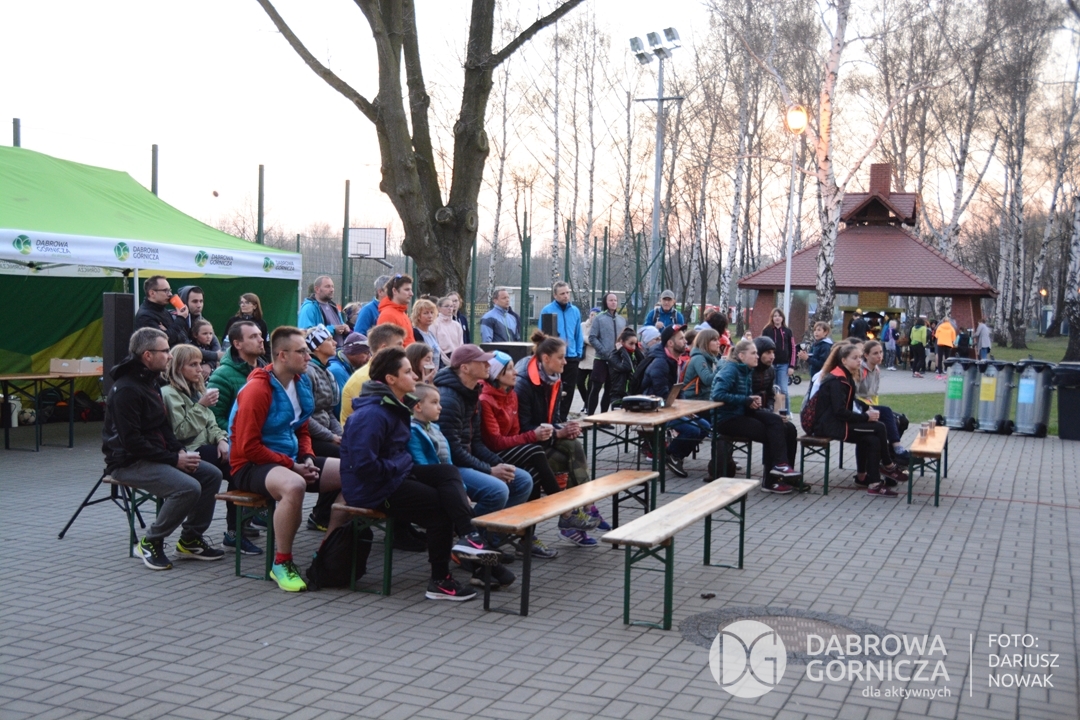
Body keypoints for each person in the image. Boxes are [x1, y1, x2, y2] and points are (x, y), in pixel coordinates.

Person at [338, 348, 497, 601]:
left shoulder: (394, 405)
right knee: (440, 506)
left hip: (393, 476)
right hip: (373, 489)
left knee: (447, 472)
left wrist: (401, 466)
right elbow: (363, 466)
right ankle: (441, 581)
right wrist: (400, 466)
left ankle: (469, 536)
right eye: (408, 372)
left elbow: (395, 454)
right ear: (391, 379)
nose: (415, 376)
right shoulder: (372, 414)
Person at [228, 326, 345, 592]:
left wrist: (307, 457)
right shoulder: (257, 389)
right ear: (282, 355)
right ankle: (282, 563)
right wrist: (292, 466)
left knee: (354, 472)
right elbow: (248, 447)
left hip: (288, 459)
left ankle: (328, 550)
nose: (308, 356)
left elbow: (301, 429)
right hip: (250, 465)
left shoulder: (299, 382)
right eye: (302, 351)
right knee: (294, 485)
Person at [103, 328, 225, 570]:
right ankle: (151, 541)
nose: (169, 355)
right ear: (147, 355)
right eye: (165, 351)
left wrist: (179, 451)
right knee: (188, 488)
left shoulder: (150, 382)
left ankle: (190, 540)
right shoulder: (127, 389)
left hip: (155, 456)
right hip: (127, 462)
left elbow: (162, 426)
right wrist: (173, 459)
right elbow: (131, 442)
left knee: (212, 474)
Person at [479, 351, 600, 551]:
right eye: (509, 369)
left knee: (535, 473)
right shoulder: (486, 399)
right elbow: (495, 442)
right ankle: (566, 511)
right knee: (536, 452)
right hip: (492, 454)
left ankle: (528, 539)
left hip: (511, 447)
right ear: (497, 374)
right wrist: (534, 436)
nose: (515, 373)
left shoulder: (511, 394)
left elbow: (517, 430)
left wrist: (560, 429)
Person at [405, 382, 517, 589]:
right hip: (427, 486)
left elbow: (448, 465)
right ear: (418, 406)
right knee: (457, 511)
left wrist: (461, 491)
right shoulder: (412, 431)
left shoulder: (435, 428)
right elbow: (424, 469)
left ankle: (479, 560)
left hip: (446, 485)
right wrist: (456, 493)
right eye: (434, 402)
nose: (440, 407)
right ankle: (483, 563)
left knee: (461, 507)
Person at [162, 344, 260, 555]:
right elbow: (180, 432)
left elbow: (212, 424)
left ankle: (236, 532)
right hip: (187, 451)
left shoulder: (197, 390)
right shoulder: (169, 394)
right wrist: (202, 406)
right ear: (178, 368)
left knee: (241, 467)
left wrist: (222, 439)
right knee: (225, 470)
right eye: (193, 365)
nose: (200, 369)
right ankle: (194, 536)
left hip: (208, 446)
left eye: (200, 364)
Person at [433, 345, 534, 537]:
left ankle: (491, 537)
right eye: (482, 362)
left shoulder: (472, 392)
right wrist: (489, 470)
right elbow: (452, 451)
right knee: (497, 490)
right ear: (465, 368)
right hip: (448, 467)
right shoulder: (449, 399)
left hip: (465, 460)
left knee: (522, 479)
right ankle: (469, 536)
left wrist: (498, 464)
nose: (488, 365)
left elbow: (476, 442)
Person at [513, 332, 600, 546]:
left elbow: (553, 419)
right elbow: (523, 427)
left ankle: (577, 514)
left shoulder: (554, 379)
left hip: (542, 438)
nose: (565, 362)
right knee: (568, 460)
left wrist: (565, 428)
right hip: (525, 443)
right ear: (545, 358)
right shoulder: (523, 383)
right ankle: (579, 511)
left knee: (573, 445)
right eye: (561, 357)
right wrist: (557, 432)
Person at [811, 342, 906, 497]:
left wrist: (866, 408)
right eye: (855, 358)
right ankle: (889, 465)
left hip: (841, 423)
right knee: (879, 427)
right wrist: (865, 417)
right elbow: (840, 412)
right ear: (843, 360)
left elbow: (852, 402)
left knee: (872, 439)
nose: (859, 361)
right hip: (831, 426)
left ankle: (873, 484)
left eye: (860, 357)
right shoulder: (837, 380)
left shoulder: (847, 376)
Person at [710, 339, 802, 494]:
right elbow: (717, 394)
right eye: (754, 353)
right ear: (741, 355)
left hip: (740, 413)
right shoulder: (730, 370)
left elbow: (764, 396)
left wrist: (754, 402)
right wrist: (746, 400)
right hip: (726, 419)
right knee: (772, 432)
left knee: (780, 424)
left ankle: (783, 469)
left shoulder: (747, 370)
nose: (757, 356)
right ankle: (771, 480)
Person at [638, 324, 710, 478]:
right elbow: (662, 394)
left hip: (668, 407)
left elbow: (679, 389)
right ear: (670, 343)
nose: (685, 341)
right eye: (681, 338)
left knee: (704, 426)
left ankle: (673, 455)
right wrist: (681, 411)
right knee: (693, 430)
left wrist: (685, 409)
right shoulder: (660, 363)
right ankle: (671, 455)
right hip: (654, 411)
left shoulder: (674, 360)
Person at [302, 325, 347, 532]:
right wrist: (330, 437)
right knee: (344, 458)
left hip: (324, 433)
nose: (335, 342)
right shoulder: (308, 373)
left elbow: (328, 411)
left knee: (348, 448)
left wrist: (341, 435)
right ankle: (321, 514)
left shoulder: (326, 371)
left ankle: (328, 511)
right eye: (329, 339)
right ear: (317, 347)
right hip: (309, 436)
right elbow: (305, 417)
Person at [339, 324, 408, 425]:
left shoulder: (390, 372)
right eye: (399, 345)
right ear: (383, 348)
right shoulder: (364, 379)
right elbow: (368, 422)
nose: (403, 349)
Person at [856, 340, 910, 464]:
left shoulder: (876, 370)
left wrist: (875, 408)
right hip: (861, 408)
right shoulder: (860, 370)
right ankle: (895, 450)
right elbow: (854, 395)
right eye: (875, 353)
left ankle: (892, 454)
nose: (879, 356)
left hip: (872, 406)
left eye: (881, 352)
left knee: (902, 420)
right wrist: (870, 408)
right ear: (866, 355)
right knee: (887, 413)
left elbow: (874, 394)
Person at [540, 282, 584, 419]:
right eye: (562, 293)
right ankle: (552, 416)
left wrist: (578, 352)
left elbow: (578, 333)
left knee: (569, 389)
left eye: (567, 293)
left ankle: (563, 418)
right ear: (555, 295)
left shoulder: (575, 311)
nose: (566, 296)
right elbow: (542, 334)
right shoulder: (547, 310)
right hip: (554, 357)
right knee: (553, 388)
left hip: (571, 356)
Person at [587, 293, 626, 415]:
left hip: (615, 361)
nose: (613, 302)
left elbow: (623, 338)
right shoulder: (599, 318)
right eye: (611, 300)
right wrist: (604, 351)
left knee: (609, 390)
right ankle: (590, 417)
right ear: (605, 302)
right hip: (601, 359)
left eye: (615, 300)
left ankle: (604, 418)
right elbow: (592, 337)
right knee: (596, 388)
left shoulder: (622, 320)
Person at [134, 275, 189, 347]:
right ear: (152, 293)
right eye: (165, 291)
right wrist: (181, 319)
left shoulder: (162, 309)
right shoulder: (145, 316)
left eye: (170, 290)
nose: (170, 294)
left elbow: (178, 336)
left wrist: (168, 331)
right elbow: (164, 341)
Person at [761, 309, 799, 412]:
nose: (777, 318)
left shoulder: (788, 331)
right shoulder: (767, 330)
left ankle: (786, 413)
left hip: (784, 365)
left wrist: (791, 366)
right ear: (772, 318)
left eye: (779, 316)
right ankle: (772, 412)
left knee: (783, 389)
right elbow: (762, 347)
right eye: (775, 316)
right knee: (771, 389)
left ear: (782, 318)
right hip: (770, 365)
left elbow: (793, 349)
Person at [176, 286, 224, 365]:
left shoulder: (202, 321)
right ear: (184, 302)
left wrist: (210, 365)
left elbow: (216, 345)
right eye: (195, 301)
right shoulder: (176, 320)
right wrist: (215, 356)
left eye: (201, 301)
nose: (199, 305)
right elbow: (188, 348)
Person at [298, 275, 350, 347]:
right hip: (320, 353)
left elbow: (340, 326)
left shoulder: (333, 307)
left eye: (332, 286)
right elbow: (306, 334)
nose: (332, 290)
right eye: (327, 286)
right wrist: (333, 329)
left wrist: (345, 329)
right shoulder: (309, 308)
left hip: (339, 351)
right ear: (317, 289)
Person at [223, 293, 270, 360]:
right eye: (241, 302)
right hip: (235, 358)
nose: (243, 305)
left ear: (255, 306)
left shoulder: (261, 323)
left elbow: (266, 345)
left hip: (257, 359)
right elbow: (226, 341)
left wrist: (266, 361)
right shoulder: (233, 321)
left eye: (247, 302)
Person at [682, 329, 720, 401]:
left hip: (704, 396)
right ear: (705, 342)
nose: (718, 343)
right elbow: (707, 380)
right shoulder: (699, 358)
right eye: (715, 340)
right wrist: (720, 367)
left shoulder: (710, 357)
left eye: (718, 340)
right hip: (694, 399)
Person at [327, 332, 370, 397]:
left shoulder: (349, 366)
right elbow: (343, 401)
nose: (369, 358)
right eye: (366, 353)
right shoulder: (337, 370)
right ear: (353, 352)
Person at [377, 274, 415, 346]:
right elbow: (388, 348)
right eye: (407, 290)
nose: (411, 294)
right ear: (394, 291)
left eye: (411, 290)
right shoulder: (387, 315)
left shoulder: (402, 313)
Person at [608, 328, 642, 407]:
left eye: (635, 344)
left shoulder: (633, 354)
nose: (633, 347)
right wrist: (622, 350)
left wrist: (637, 349)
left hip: (631, 394)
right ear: (622, 342)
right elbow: (627, 367)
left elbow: (643, 364)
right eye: (631, 344)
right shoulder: (614, 355)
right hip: (618, 396)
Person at [577, 308, 599, 412]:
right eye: (592, 315)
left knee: (591, 385)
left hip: (593, 359)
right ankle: (586, 402)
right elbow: (578, 337)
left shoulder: (599, 327)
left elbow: (594, 341)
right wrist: (586, 338)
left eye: (595, 315)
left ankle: (588, 406)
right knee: (579, 382)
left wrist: (583, 338)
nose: (593, 317)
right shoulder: (582, 325)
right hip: (582, 358)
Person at [411, 298, 443, 368]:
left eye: (432, 312)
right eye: (426, 313)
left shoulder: (431, 334)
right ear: (418, 316)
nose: (430, 316)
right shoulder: (415, 333)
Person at [434, 295, 465, 366]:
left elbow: (461, 344)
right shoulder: (435, 324)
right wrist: (448, 362)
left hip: (457, 358)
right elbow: (436, 346)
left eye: (451, 306)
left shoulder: (457, 325)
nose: (450, 308)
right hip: (442, 360)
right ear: (439, 308)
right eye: (446, 306)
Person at [806, 321, 834, 393]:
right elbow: (812, 356)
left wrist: (807, 359)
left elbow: (822, 364)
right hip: (814, 375)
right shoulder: (815, 344)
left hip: (821, 376)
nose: (816, 332)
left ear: (825, 332)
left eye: (819, 330)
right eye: (815, 330)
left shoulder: (825, 346)